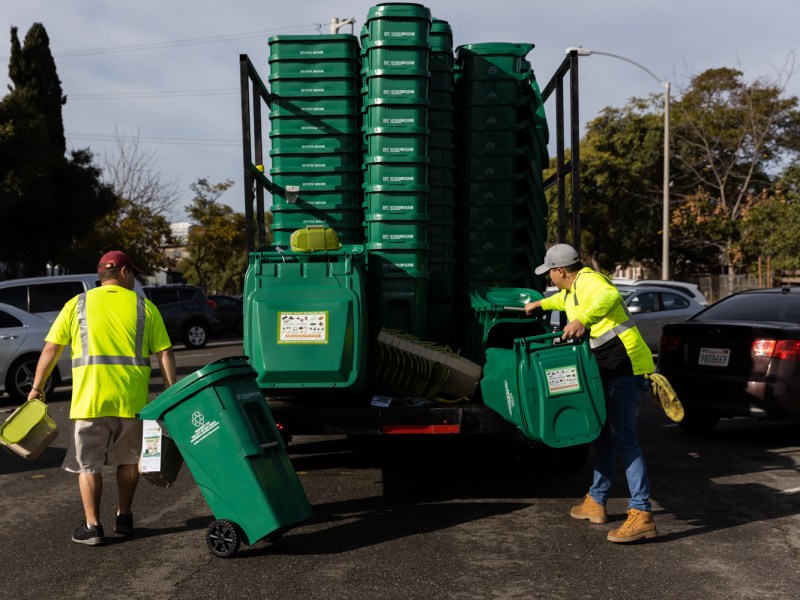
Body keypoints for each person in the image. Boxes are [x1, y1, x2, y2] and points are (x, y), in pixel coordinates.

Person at [27, 250, 176, 546]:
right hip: (132, 400)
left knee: (88, 465)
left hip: (90, 400)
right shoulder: (144, 307)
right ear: (122, 272)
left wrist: (36, 389)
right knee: (129, 461)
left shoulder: (77, 304)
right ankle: (124, 517)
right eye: (132, 273)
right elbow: (165, 353)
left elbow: (50, 350)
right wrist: (173, 394)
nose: (134, 279)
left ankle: (93, 526)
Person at [525, 244, 657, 543]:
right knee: (601, 434)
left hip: (626, 368)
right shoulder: (572, 290)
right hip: (607, 369)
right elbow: (562, 300)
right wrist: (538, 305)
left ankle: (642, 513)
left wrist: (582, 320)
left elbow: (609, 296)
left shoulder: (589, 280)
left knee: (625, 439)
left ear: (561, 271)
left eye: (550, 274)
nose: (550, 279)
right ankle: (596, 500)